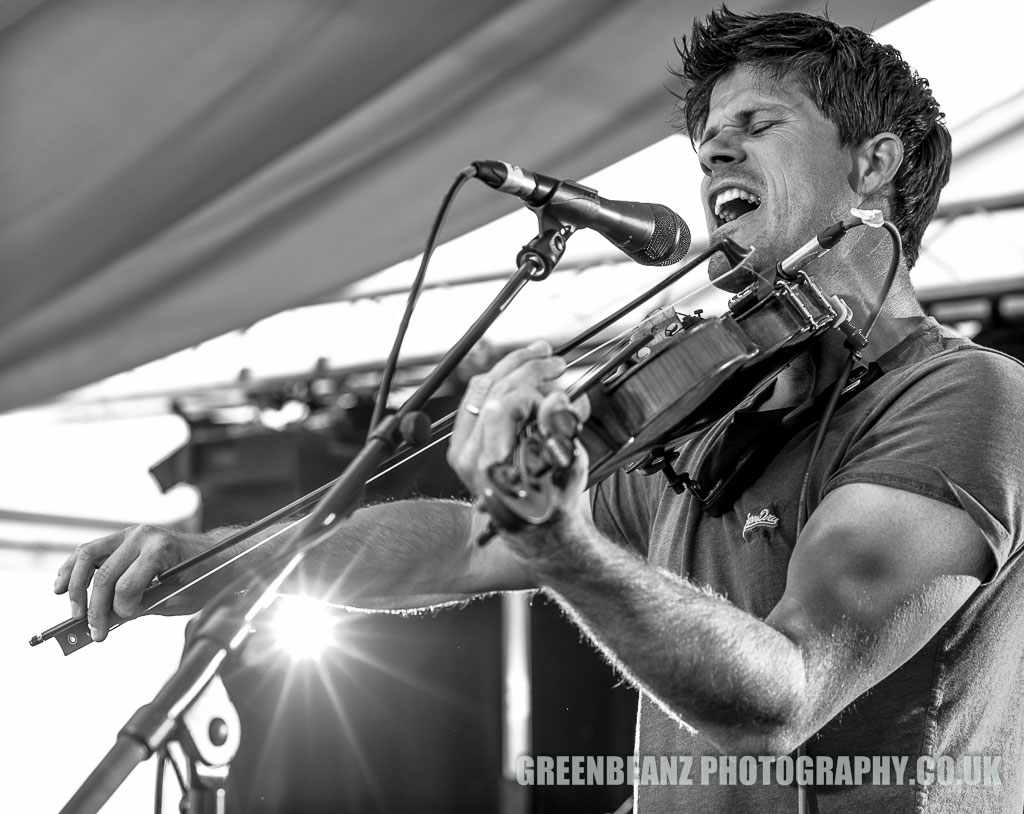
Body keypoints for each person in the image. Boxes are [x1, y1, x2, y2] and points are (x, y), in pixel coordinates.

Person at [54, 8, 1024, 813]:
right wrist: (225, 564)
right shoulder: (720, 411)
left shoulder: (962, 394)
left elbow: (785, 692)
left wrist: (565, 544)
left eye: (758, 124)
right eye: (704, 141)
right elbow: (461, 543)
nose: (713, 149)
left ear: (873, 165)